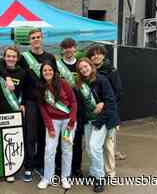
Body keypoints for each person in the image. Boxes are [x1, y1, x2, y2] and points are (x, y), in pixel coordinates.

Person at [18, 28, 57, 182]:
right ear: (29, 40)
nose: (35, 39)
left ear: (42, 38)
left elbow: (55, 79)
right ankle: (28, 166)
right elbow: (20, 80)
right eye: (33, 37)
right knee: (30, 135)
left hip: (46, 102)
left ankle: (40, 164)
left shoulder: (50, 57)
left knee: (43, 135)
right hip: (30, 102)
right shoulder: (23, 58)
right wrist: (21, 102)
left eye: (38, 37)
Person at [76, 58, 118, 193]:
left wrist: (102, 108)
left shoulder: (101, 80)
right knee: (89, 148)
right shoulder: (80, 84)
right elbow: (81, 105)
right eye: (81, 68)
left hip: (102, 119)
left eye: (86, 66)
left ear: (91, 66)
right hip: (88, 120)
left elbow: (110, 101)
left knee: (95, 146)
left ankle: (100, 178)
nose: (84, 69)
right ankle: (94, 173)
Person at [36, 62, 77, 190]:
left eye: (50, 70)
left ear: (54, 71)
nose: (47, 72)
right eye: (45, 70)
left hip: (68, 122)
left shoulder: (63, 83)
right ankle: (48, 178)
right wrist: (50, 126)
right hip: (53, 121)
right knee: (49, 150)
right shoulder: (41, 87)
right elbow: (42, 108)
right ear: (42, 73)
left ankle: (65, 177)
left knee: (66, 150)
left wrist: (72, 120)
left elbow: (73, 101)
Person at [87, 45, 125, 178]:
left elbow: (118, 93)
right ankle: (98, 170)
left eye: (98, 54)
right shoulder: (89, 71)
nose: (96, 56)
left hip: (109, 113)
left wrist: (105, 104)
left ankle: (110, 172)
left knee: (108, 145)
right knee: (95, 146)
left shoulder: (111, 71)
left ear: (103, 55)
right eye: (93, 54)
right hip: (95, 114)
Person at [0, 46, 26, 183]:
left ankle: (10, 170)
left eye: (13, 56)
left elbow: (24, 90)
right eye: (8, 56)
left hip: (13, 110)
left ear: (17, 58)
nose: (11, 59)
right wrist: (6, 77)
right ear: (4, 57)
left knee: (11, 142)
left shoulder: (22, 73)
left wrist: (22, 103)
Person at [56, 38, 85, 178]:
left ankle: (76, 168)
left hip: (77, 109)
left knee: (77, 140)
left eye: (71, 47)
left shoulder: (81, 66)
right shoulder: (57, 65)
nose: (68, 49)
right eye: (65, 47)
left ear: (75, 48)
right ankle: (60, 168)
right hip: (61, 109)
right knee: (62, 140)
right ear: (62, 49)